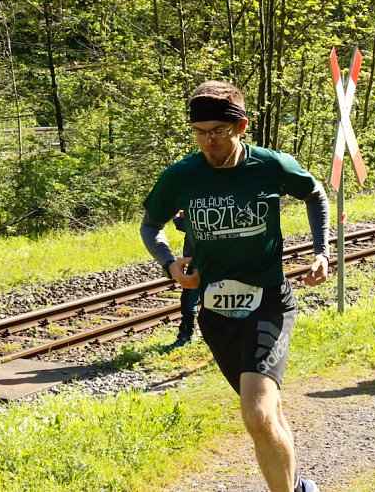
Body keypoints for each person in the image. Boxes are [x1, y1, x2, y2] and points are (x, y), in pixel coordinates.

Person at [140, 80, 330, 492]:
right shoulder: (181, 176)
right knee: (265, 416)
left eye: (218, 131)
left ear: (240, 126)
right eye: (200, 131)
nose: (208, 140)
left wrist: (321, 250)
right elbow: (151, 226)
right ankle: (298, 486)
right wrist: (170, 263)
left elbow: (315, 195)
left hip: (269, 303)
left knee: (258, 416)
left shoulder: (271, 165)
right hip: (216, 313)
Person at [171, 211, 200, 346]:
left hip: (198, 265)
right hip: (203, 263)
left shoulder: (198, 217)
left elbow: (183, 224)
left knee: (189, 301)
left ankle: (186, 336)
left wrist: (175, 215)